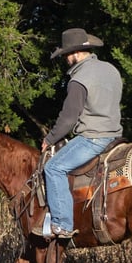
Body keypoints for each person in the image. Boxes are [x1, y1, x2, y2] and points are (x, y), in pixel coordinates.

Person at [39, 27, 123, 239]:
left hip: (93, 138)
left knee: (53, 168)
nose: (66, 59)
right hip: (115, 136)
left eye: (67, 54)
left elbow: (69, 117)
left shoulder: (79, 79)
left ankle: (62, 224)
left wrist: (50, 139)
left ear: (75, 53)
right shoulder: (111, 70)